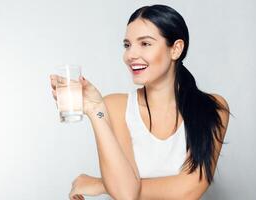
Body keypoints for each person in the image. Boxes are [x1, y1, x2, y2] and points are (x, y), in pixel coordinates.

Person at [50, 4, 230, 200]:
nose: (130, 55)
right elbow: (126, 194)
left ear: (176, 49)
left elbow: (189, 190)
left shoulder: (212, 107)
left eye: (145, 43)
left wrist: (101, 184)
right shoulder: (116, 107)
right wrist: (95, 111)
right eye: (127, 45)